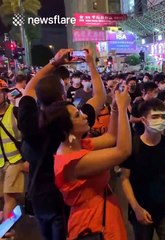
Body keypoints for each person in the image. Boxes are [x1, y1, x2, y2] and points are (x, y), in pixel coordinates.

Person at [19, 48, 106, 240]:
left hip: (39, 198)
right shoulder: (71, 121)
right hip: (66, 199)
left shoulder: (28, 121)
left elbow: (29, 89)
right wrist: (90, 62)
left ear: (39, 98)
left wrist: (55, 62)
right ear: (62, 96)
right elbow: (100, 96)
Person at [41, 86, 131, 239]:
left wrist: (115, 109)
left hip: (102, 214)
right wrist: (123, 109)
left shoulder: (76, 145)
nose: (84, 116)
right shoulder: (73, 162)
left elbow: (111, 137)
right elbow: (123, 151)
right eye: (77, 115)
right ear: (65, 129)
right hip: (93, 223)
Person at [120, 99, 165, 240]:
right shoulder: (133, 146)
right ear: (144, 120)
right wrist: (136, 208)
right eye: (155, 117)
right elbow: (125, 180)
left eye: (163, 117)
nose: (161, 120)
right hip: (141, 209)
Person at [0, 79, 24, 221]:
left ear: (5, 94)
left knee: (10, 196)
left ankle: (6, 231)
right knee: (3, 197)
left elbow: (26, 137)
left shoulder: (15, 112)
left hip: (15, 160)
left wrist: (26, 159)